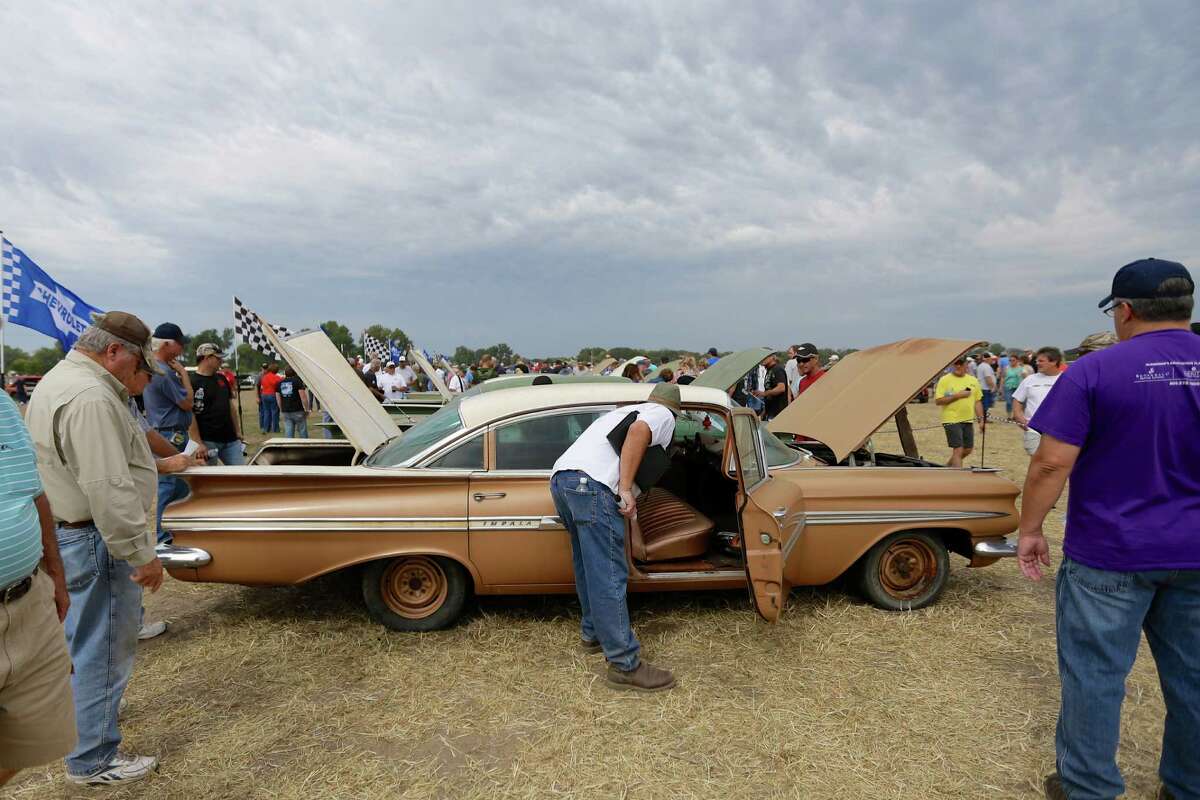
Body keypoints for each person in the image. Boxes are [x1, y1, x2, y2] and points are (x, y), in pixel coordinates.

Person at [1017, 258, 1199, 800]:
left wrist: (1030, 528)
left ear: (1123, 310)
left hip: (1110, 550)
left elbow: (1050, 463)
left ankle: (1088, 788)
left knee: (1095, 678)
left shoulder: (1096, 371)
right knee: (1194, 680)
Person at [23, 312, 175, 785]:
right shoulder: (90, 396)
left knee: (85, 642)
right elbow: (107, 486)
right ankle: (93, 758)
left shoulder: (61, 380)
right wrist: (141, 554)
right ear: (114, 352)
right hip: (95, 537)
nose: (136, 376)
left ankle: (89, 724)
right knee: (103, 646)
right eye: (135, 365)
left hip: (76, 533)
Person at [550, 383, 682, 692]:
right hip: (593, 486)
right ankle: (624, 664)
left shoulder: (619, 412)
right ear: (676, 412)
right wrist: (624, 488)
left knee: (587, 565)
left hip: (563, 480)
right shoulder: (661, 414)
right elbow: (638, 433)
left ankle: (592, 632)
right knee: (609, 575)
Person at [0, 389, 76, 788]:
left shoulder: (1, 403)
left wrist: (55, 573)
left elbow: (32, 490)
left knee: (35, 739)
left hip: (28, 599)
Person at [143, 323, 207, 546]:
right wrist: (183, 374)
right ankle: (164, 538)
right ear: (167, 344)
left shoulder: (153, 368)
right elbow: (187, 403)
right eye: (179, 343)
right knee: (171, 486)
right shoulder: (165, 372)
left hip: (165, 431)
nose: (181, 348)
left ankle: (173, 535)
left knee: (177, 485)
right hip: (170, 434)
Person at [189, 344, 244, 465]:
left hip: (231, 439)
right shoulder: (191, 382)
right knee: (209, 479)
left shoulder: (222, 378)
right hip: (207, 441)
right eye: (218, 358)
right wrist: (198, 443)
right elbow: (189, 415)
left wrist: (238, 431)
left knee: (242, 475)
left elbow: (230, 406)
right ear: (206, 358)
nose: (221, 361)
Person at [933, 357, 983, 467]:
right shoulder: (944, 380)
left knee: (968, 449)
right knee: (958, 449)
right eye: (955, 363)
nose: (958, 366)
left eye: (961, 363)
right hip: (951, 419)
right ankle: (958, 478)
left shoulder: (973, 380)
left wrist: (981, 420)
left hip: (968, 420)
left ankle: (947, 468)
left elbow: (977, 401)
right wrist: (957, 396)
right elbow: (938, 401)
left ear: (966, 365)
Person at [1011, 348, 1062, 457]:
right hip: (1033, 429)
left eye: (1041, 361)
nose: (1037, 363)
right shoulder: (1030, 380)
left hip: (1058, 431)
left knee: (1053, 463)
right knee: (1037, 461)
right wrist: (1018, 416)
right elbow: (1017, 400)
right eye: (1037, 361)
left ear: (1054, 361)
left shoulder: (1066, 379)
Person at [275, 367, 309, 438]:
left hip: (286, 411)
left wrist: (281, 409)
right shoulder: (297, 381)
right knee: (302, 431)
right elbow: (303, 397)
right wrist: (307, 409)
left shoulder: (279, 383)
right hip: (298, 410)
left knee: (288, 432)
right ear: (295, 373)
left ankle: (289, 447)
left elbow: (278, 399)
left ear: (285, 373)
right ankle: (305, 447)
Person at [752, 353, 788, 421]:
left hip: (777, 413)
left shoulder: (777, 369)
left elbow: (781, 388)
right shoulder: (769, 370)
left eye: (765, 356)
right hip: (770, 412)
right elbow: (769, 397)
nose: (762, 359)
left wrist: (764, 393)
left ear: (772, 357)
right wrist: (763, 414)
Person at [259, 362, 283, 432]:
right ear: (276, 370)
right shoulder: (277, 377)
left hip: (264, 395)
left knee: (266, 412)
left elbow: (261, 385)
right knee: (274, 412)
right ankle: (275, 429)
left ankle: (266, 428)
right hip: (272, 395)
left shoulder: (264, 377)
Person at [975, 352, 998, 419]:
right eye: (991, 359)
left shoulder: (981, 366)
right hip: (986, 389)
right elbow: (988, 378)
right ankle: (984, 418)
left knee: (982, 404)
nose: (992, 360)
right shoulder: (986, 367)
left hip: (982, 388)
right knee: (985, 405)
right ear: (988, 359)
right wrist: (993, 387)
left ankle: (982, 417)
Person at [1002, 353, 1025, 418]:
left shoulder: (1021, 368)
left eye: (1013, 360)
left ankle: (1015, 416)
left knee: (1016, 402)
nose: (1011, 362)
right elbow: (1003, 377)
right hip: (1008, 386)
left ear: (1017, 360)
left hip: (1018, 387)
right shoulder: (1006, 368)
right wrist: (1000, 387)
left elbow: (1025, 377)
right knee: (1009, 402)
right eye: (1010, 360)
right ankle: (1009, 416)